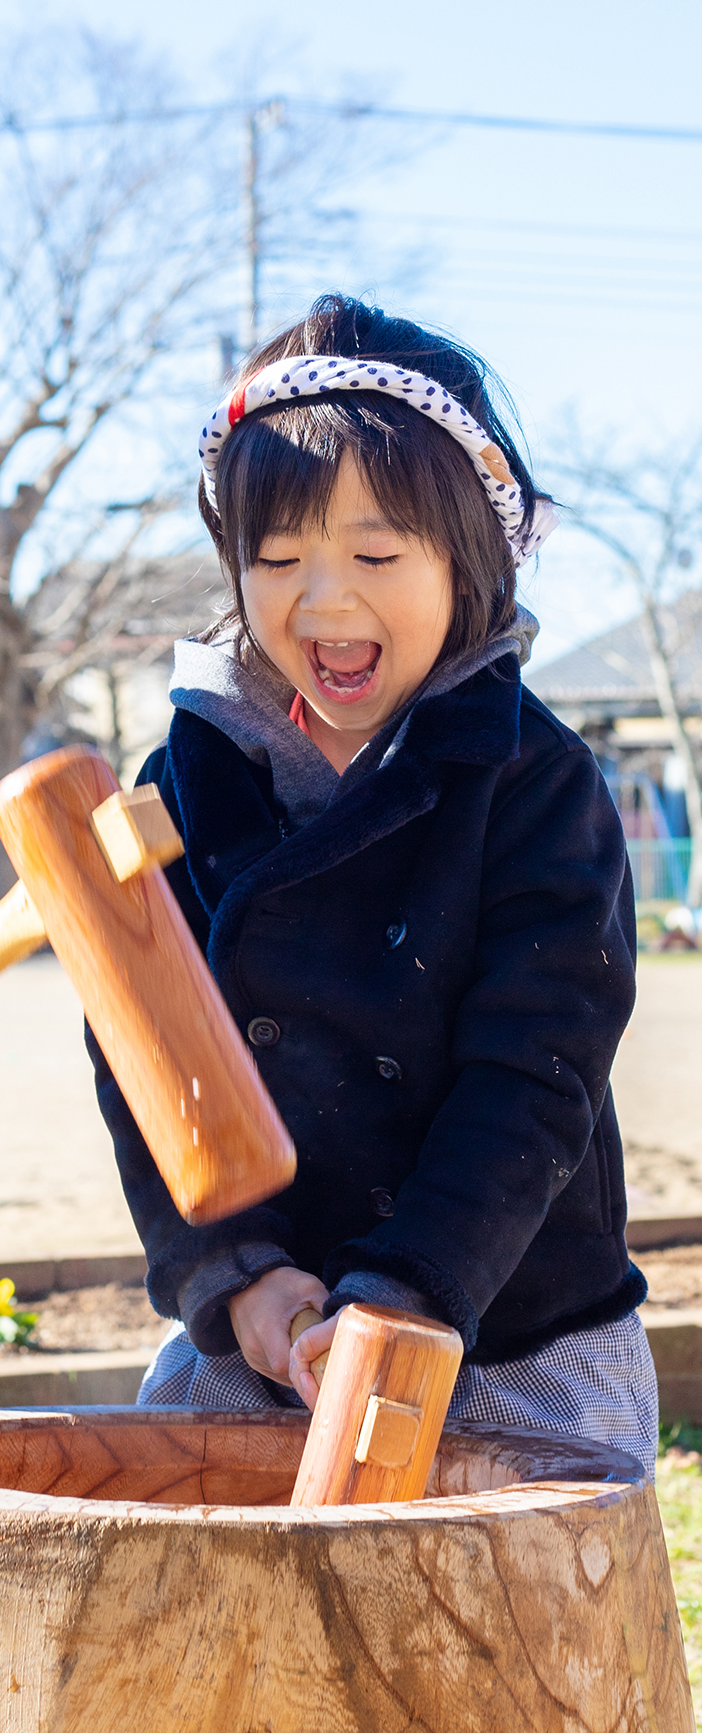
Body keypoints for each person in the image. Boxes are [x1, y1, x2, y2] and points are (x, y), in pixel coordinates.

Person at [91, 294, 656, 1476]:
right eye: (279, 557)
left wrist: (411, 1286)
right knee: (213, 1635)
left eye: (378, 555)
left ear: (471, 557)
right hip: (270, 1331)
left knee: (518, 1643)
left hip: (505, 1325)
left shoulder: (534, 781)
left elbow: (537, 1070)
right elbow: (145, 1057)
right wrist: (235, 1278)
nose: (326, 602)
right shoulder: (187, 781)